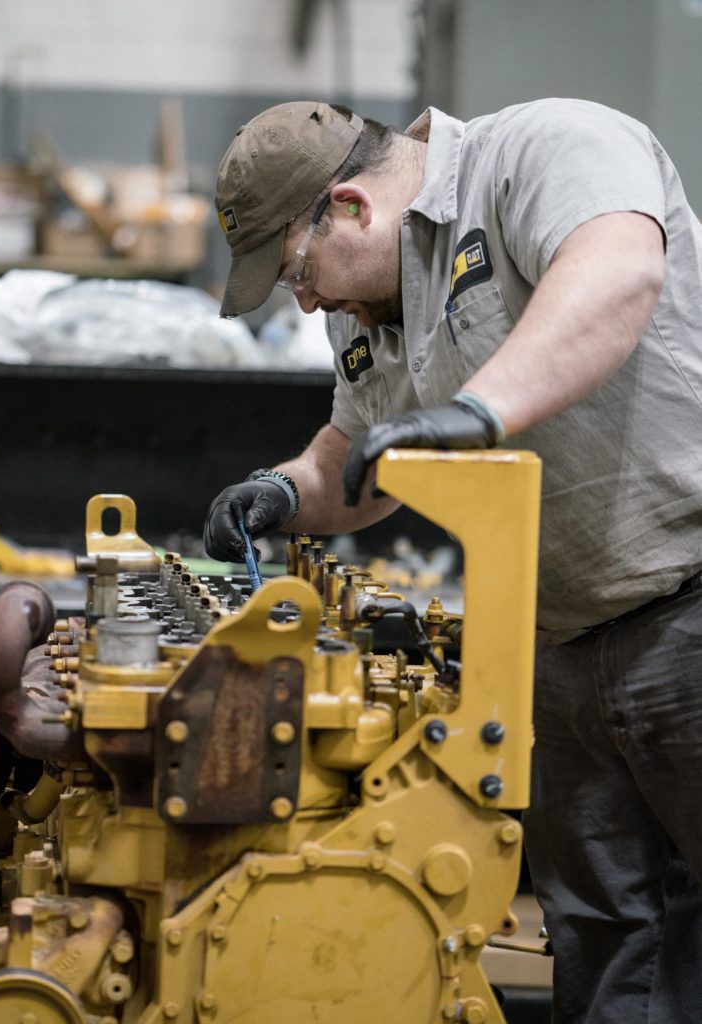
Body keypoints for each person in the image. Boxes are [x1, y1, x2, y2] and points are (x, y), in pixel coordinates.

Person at [202, 97, 702, 1023]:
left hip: (687, 603)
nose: (306, 300)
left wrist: (479, 410)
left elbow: (619, 272)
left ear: (348, 207)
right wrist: (280, 490)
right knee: (602, 935)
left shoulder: (542, 150)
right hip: (556, 645)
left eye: (296, 272)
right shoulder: (366, 306)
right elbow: (362, 460)